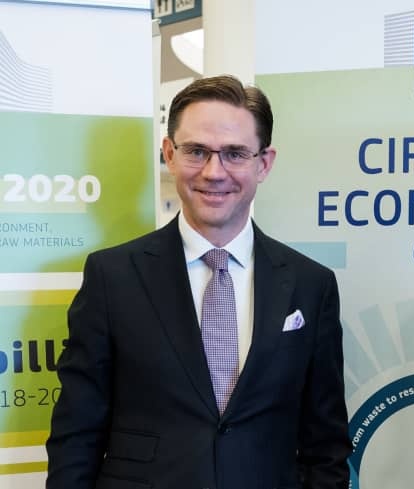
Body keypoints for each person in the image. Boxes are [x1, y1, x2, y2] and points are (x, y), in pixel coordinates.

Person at [46, 75, 351, 489]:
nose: (214, 172)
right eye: (196, 151)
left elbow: (325, 446)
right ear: (169, 154)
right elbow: (75, 437)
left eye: (235, 154)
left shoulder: (310, 285)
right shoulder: (112, 277)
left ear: (264, 163)